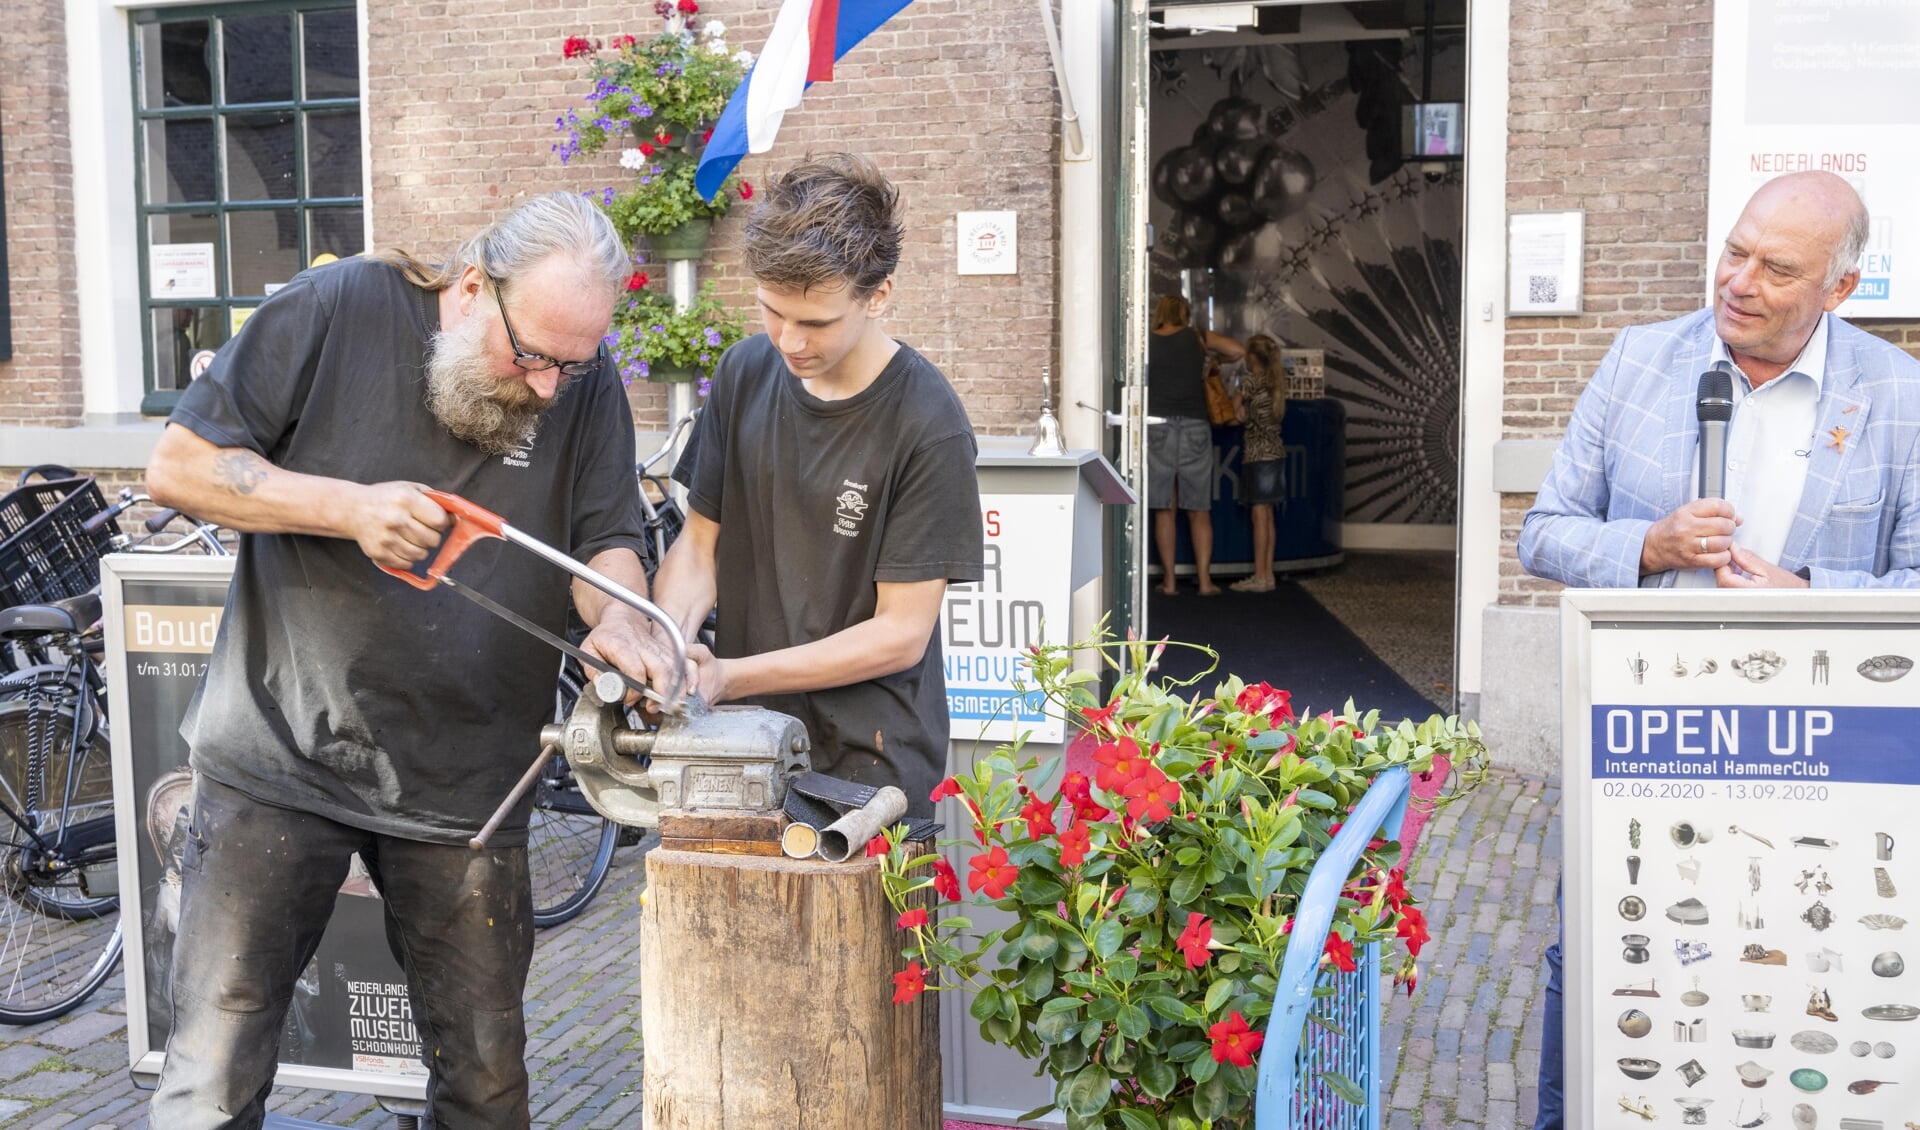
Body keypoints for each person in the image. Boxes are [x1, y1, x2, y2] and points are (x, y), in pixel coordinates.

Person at [143, 191, 674, 1129]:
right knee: (212, 1077)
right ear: (475, 286)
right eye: (535, 356)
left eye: (574, 363)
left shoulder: (581, 381)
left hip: (470, 783)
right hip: (279, 751)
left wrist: (624, 622)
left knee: (484, 1084)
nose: (551, 386)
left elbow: (605, 537)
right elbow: (179, 466)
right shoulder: (334, 308)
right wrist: (346, 508)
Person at [1517, 170, 1920, 1129]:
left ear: (1839, 289)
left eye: (1777, 267)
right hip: (1640, 734)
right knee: (1603, 951)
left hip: (1816, 751)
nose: (1739, 280)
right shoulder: (1638, 360)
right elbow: (1544, 531)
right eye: (1735, 251)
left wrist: (1816, 596)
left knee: (1802, 954)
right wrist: (1646, 547)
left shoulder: (1900, 396)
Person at [649, 153, 983, 820]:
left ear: (877, 295)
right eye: (773, 312)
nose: (789, 341)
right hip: (744, 741)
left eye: (817, 324)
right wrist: (670, 644)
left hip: (869, 765)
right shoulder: (744, 372)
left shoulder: (928, 422)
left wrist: (732, 674)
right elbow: (699, 547)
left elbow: (900, 634)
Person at [1147, 295, 1244, 595]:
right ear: (1185, 313)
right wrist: (1215, 359)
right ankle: (1205, 582)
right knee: (1199, 510)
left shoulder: (1146, 340)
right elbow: (1238, 350)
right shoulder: (1198, 336)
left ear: (1160, 312)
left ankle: (1170, 583)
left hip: (1158, 426)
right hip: (1195, 426)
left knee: (1165, 509)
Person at [1230, 333, 1288, 593]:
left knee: (1258, 516)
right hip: (1275, 454)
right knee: (1269, 517)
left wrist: (1239, 409)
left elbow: (1232, 410)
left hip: (1257, 456)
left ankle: (1259, 576)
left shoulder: (1251, 382)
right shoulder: (1275, 383)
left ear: (1252, 357)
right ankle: (1268, 575)